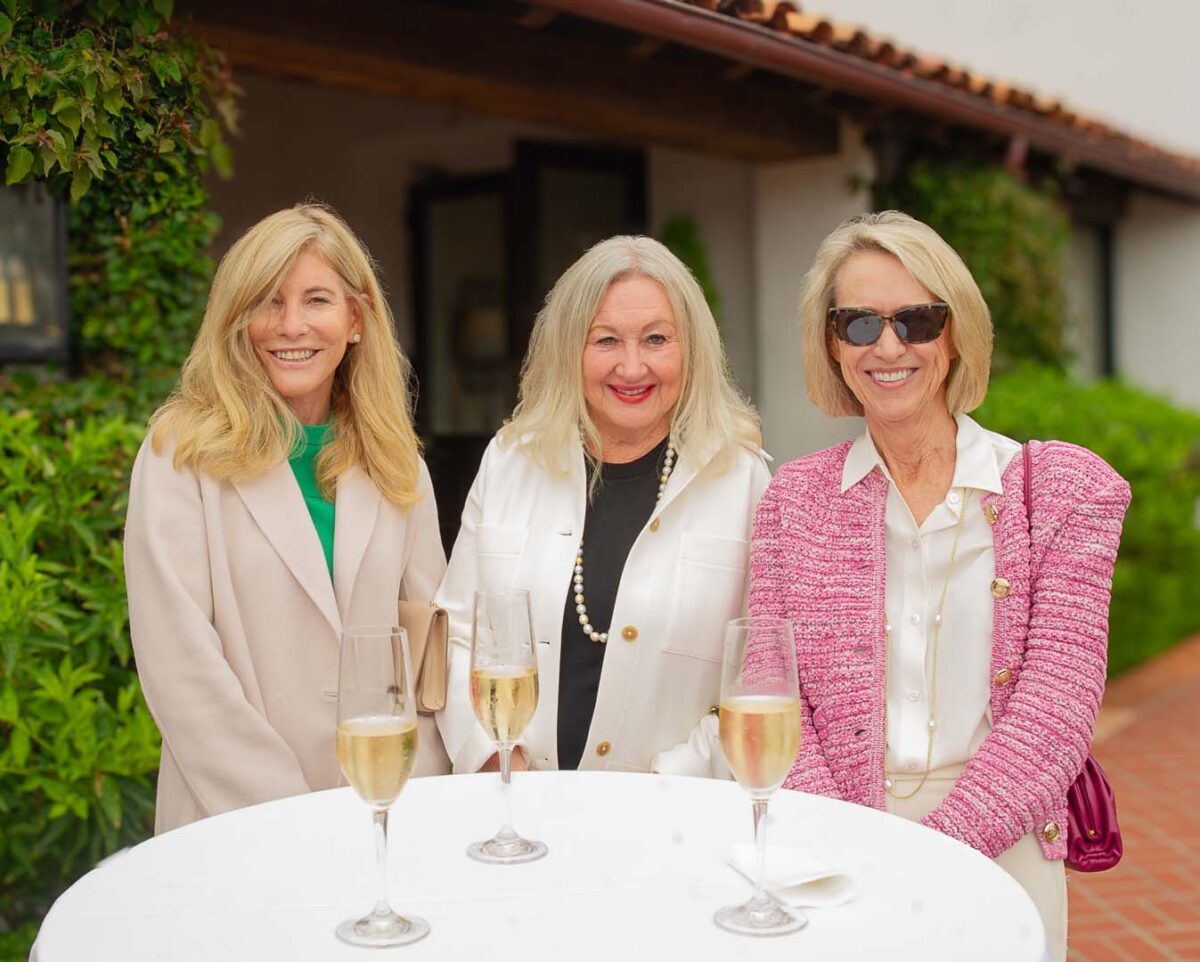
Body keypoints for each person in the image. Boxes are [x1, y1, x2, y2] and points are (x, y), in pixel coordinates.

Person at [749, 211, 1129, 960]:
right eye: (859, 324)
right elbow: (771, 691)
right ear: (832, 344)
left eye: (917, 320)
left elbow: (1057, 712)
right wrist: (846, 839)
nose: (889, 347)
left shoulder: (1066, 491)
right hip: (835, 849)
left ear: (955, 335)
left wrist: (934, 852)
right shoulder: (792, 500)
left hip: (1003, 842)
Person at [124, 204, 448, 833]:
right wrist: (288, 821)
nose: (290, 325)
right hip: (234, 821)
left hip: (384, 809)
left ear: (356, 320)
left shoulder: (396, 461)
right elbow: (181, 668)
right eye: (267, 301)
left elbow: (428, 649)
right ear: (237, 319)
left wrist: (414, 792)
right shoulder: (179, 453)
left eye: (316, 300)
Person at [436, 235, 770, 776]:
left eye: (656, 339)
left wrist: (668, 783)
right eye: (606, 340)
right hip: (517, 805)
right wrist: (498, 760)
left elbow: (763, 668)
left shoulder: (743, 479)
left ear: (692, 350)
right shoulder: (509, 462)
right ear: (569, 348)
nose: (632, 367)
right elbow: (457, 637)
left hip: (679, 811)